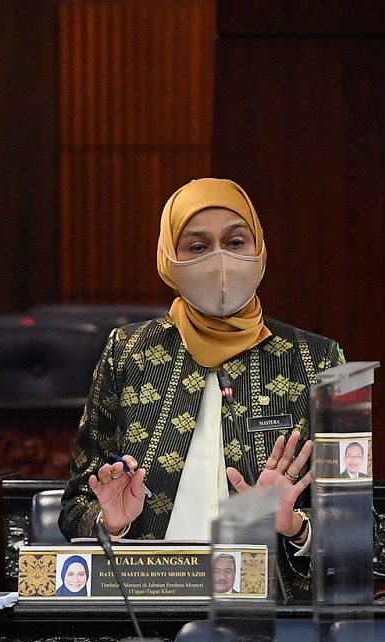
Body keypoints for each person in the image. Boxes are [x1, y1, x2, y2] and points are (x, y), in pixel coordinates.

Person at [58, 177, 345, 603]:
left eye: (236, 241)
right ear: (168, 258)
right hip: (147, 609)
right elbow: (77, 503)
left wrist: (295, 526)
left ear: (260, 250)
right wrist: (112, 522)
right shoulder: (129, 353)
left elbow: (357, 524)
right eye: (197, 246)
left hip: (274, 616)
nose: (221, 262)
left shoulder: (316, 360)